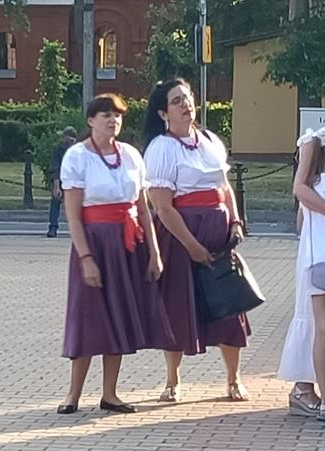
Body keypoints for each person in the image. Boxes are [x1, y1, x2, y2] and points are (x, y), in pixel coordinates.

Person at [56, 94, 173, 415]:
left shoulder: (131, 155)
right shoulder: (77, 157)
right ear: (91, 120)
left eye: (117, 115)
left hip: (127, 244)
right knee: (88, 316)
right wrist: (86, 258)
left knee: (118, 315)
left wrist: (154, 253)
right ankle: (73, 394)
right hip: (95, 242)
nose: (113, 120)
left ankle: (110, 393)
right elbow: (73, 216)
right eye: (105, 115)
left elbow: (143, 209)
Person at [143, 78, 250, 403]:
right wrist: (192, 246)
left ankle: (233, 378)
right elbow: (163, 207)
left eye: (187, 98)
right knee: (179, 305)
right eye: (176, 101)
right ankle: (173, 380)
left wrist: (235, 221)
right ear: (163, 113)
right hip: (181, 238)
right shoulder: (161, 148)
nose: (185, 104)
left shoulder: (210, 141)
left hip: (219, 236)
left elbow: (225, 187)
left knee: (229, 305)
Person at [280, 101, 325, 416]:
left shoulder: (324, 174)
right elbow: (299, 188)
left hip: (318, 255)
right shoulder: (315, 144)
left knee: (324, 329)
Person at [47, 127, 78, 237]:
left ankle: (54, 228)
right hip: (65, 181)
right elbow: (56, 168)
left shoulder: (78, 150)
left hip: (73, 182)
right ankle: (53, 227)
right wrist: (56, 187)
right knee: (56, 201)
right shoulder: (59, 149)